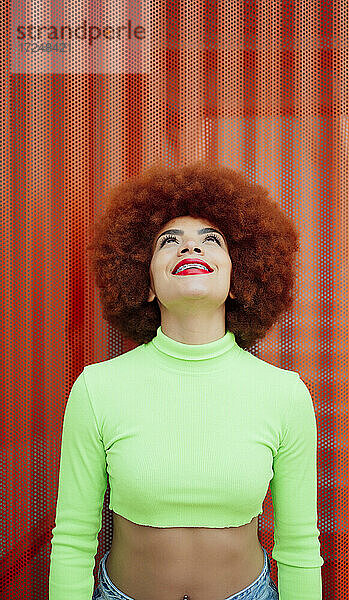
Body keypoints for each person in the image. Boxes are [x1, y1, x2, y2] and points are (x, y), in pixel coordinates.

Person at [48, 161, 324, 600]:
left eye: (210, 241)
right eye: (169, 242)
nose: (190, 249)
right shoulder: (97, 388)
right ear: (147, 283)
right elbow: (74, 539)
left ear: (239, 279)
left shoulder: (285, 394)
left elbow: (298, 546)